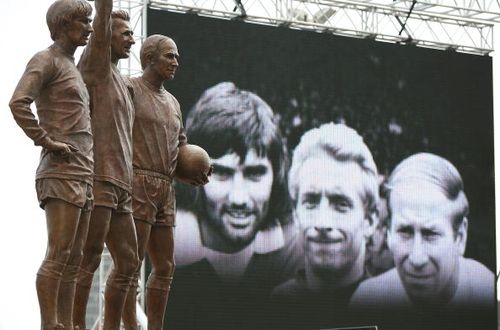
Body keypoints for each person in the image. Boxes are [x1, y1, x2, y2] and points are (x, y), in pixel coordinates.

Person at [165, 82, 300, 330]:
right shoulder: (160, 247)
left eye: (255, 173)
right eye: (222, 173)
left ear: (276, 176)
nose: (239, 198)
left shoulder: (298, 250)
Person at [9, 1, 94, 329]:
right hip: (60, 171)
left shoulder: (72, 66)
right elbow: (19, 102)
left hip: (84, 171)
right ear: (63, 24)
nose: (88, 27)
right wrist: (45, 140)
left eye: (90, 22)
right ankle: (50, 324)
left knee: (76, 258)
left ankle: (67, 323)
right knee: (59, 253)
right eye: (83, 21)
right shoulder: (46, 59)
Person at [120, 34, 209, 330]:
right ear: (149, 58)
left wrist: (193, 173)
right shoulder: (129, 88)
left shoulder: (173, 102)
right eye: (170, 56)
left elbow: (179, 148)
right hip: (136, 182)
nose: (176, 62)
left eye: (178, 57)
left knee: (165, 266)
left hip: (164, 188)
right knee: (129, 266)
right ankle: (129, 325)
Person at [350, 153, 495, 329]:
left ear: (460, 237)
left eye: (430, 234)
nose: (416, 258)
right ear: (388, 232)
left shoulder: (489, 297)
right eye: (405, 232)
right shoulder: (366, 304)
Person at [270, 123, 380, 329]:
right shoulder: (273, 309)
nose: (322, 223)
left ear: (371, 220)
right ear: (295, 213)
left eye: (341, 204)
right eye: (310, 201)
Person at [72, 1, 139, 329]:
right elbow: (101, 15)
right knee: (90, 255)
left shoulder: (124, 84)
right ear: (105, 37)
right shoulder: (95, 66)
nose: (132, 39)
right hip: (98, 177)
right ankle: (75, 324)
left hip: (122, 184)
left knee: (129, 262)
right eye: (125, 33)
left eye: (133, 34)